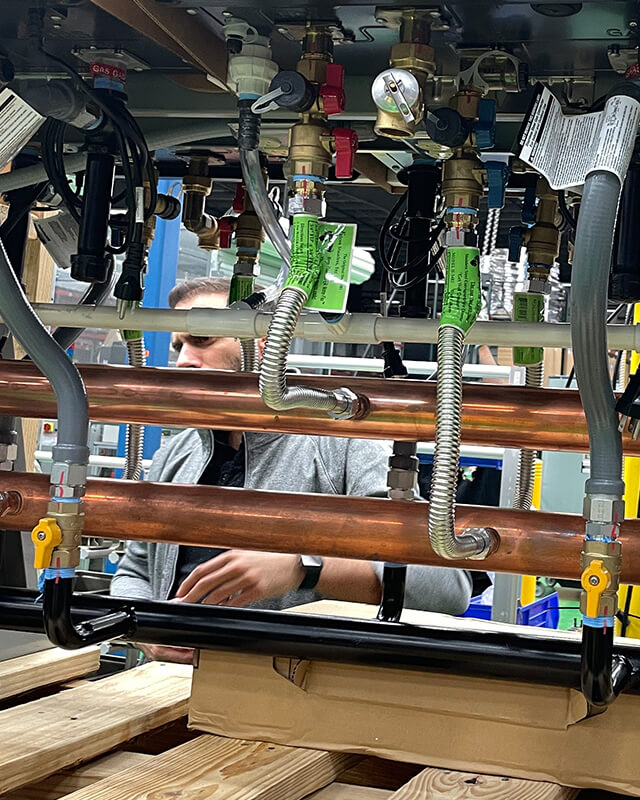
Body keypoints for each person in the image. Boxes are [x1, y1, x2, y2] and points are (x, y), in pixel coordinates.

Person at [111, 276, 473, 662]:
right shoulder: (177, 453)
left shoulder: (342, 447)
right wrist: (143, 628)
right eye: (179, 346)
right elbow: (135, 568)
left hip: (292, 688)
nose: (184, 359)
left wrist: (303, 568)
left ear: (264, 342)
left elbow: (447, 587)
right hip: (170, 686)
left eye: (202, 340)